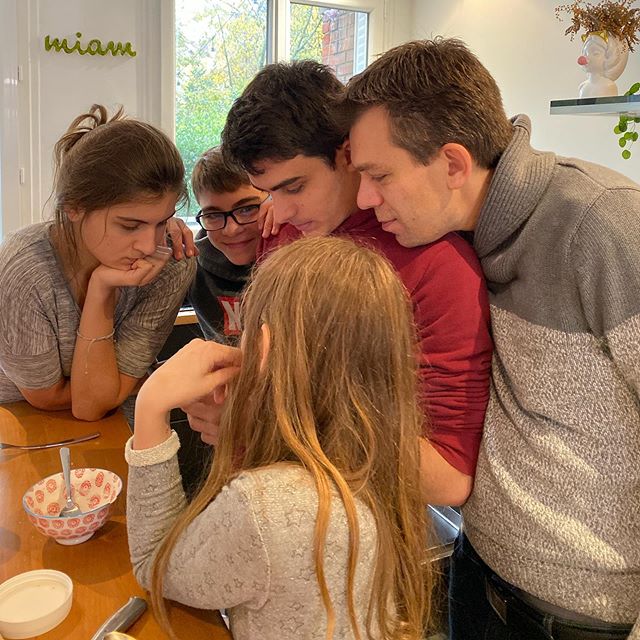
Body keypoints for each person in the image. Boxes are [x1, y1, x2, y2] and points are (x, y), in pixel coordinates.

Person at [342, 37, 640, 639]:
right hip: (478, 570)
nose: (365, 198)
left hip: (578, 616)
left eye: (379, 176)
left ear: (453, 163)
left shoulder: (600, 225)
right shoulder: (459, 227)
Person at [215, 60, 493, 507]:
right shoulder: (285, 234)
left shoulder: (440, 266)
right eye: (268, 194)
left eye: (295, 187)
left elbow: (449, 475)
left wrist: (269, 423)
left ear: (348, 153)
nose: (280, 212)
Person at [126, 235, 433, 640]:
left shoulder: (267, 504)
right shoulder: (374, 458)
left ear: (264, 346)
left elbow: (155, 565)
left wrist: (151, 406)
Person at [0, 104, 196, 422]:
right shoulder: (23, 270)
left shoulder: (172, 263)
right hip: (26, 424)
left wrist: (101, 288)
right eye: (129, 225)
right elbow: (47, 399)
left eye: (163, 222)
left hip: (123, 424)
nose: (149, 245)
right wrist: (142, 382)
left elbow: (93, 405)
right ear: (75, 207)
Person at [188, 145, 266, 343]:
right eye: (213, 215)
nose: (231, 229)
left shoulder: (303, 264)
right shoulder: (192, 266)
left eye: (248, 209)